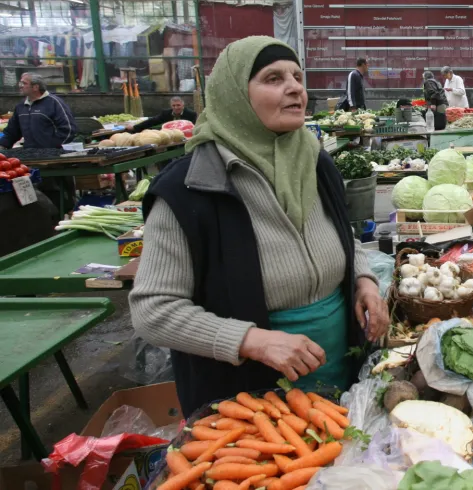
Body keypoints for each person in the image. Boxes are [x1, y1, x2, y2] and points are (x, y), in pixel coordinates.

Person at [129, 37, 390, 415]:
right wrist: (251, 341)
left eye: (297, 76)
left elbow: (341, 235)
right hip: (248, 403)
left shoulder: (315, 162)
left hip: (342, 379)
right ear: (234, 94)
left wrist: (363, 281)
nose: (295, 87)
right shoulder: (189, 189)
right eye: (273, 78)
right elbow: (153, 310)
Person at [0, 72, 77, 149]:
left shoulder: (54, 103)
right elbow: (12, 131)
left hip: (52, 153)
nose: (20, 86)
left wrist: (54, 148)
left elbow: (69, 130)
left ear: (35, 87)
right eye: (20, 83)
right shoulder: (21, 106)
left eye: (24, 83)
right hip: (29, 152)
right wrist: (2, 145)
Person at [129, 96, 198, 132]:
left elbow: (193, 129)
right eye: (173, 105)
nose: (176, 107)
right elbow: (153, 121)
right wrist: (135, 127)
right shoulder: (166, 113)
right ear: (171, 106)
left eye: (178, 105)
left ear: (183, 105)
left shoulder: (191, 114)